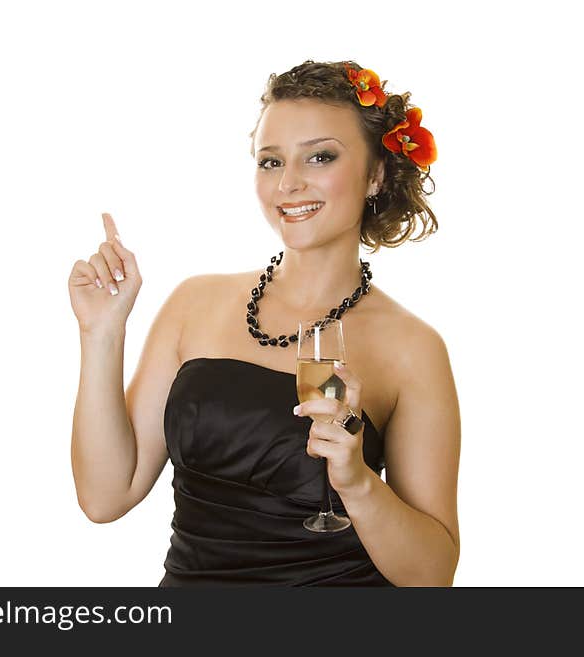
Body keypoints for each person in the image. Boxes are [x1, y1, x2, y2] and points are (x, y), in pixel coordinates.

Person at [69, 60, 461, 586]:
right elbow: (105, 496)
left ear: (377, 174)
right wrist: (101, 333)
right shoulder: (194, 303)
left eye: (320, 156)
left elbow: (432, 576)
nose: (290, 184)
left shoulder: (413, 348)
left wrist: (358, 483)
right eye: (271, 161)